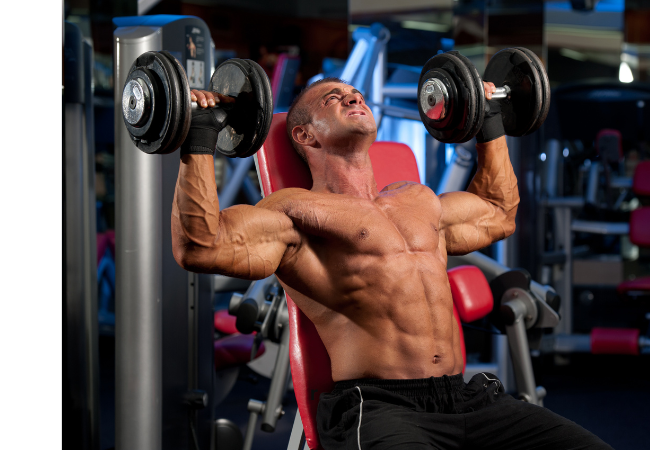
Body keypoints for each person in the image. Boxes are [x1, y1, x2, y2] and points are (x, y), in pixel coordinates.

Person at [173, 77, 613, 450]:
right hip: (379, 406)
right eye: (333, 99)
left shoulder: (416, 200)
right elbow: (201, 245)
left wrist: (490, 120)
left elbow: (498, 214)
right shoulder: (295, 211)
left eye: (354, 94)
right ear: (306, 136)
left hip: (466, 398)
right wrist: (198, 136)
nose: (352, 98)